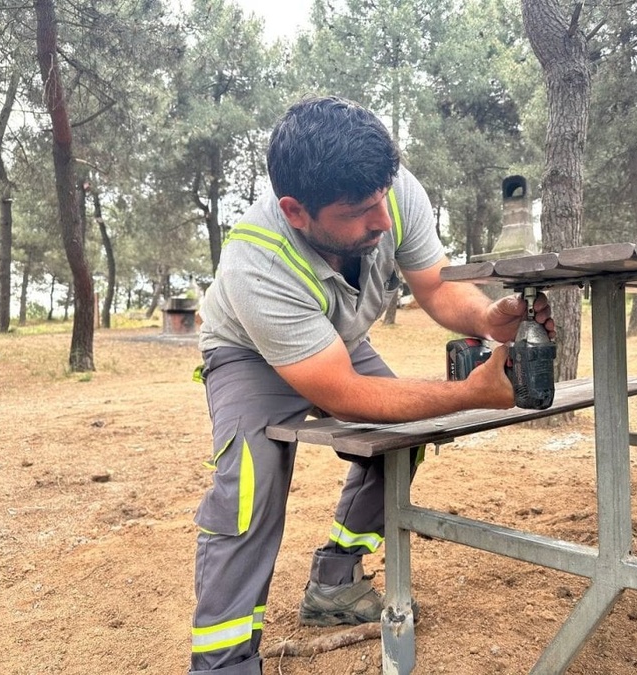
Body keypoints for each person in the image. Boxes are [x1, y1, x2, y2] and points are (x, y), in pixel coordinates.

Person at [190, 95, 555, 675]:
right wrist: (469, 394)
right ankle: (222, 663)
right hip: (249, 352)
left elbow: (435, 286)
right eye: (360, 211)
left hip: (338, 338)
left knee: (404, 437)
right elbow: (342, 393)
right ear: (296, 211)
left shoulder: (389, 189)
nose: (382, 221)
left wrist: (487, 319)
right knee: (250, 484)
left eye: (382, 199)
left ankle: (335, 583)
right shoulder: (254, 259)